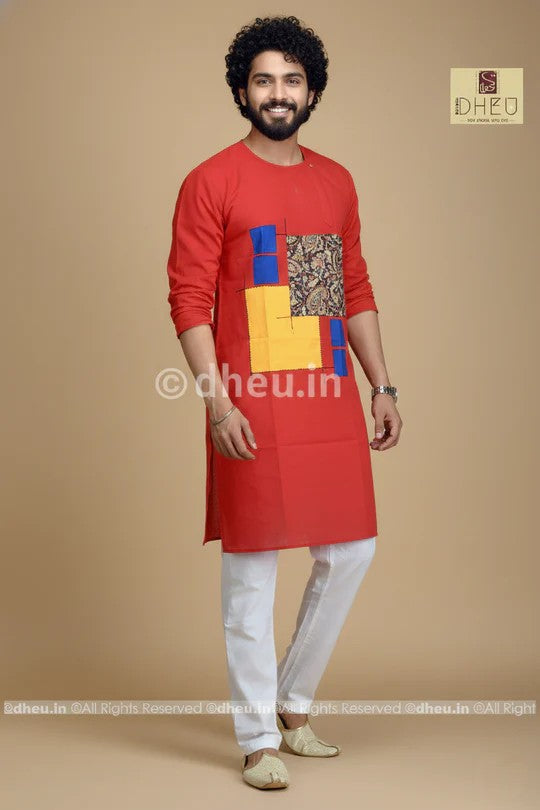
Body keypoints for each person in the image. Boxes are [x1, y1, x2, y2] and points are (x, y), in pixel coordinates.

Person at [165, 14, 402, 790]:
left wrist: (381, 384)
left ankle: (294, 704)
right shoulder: (212, 181)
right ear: (242, 91)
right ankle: (257, 737)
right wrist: (218, 404)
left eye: (292, 80)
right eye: (263, 80)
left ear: (312, 92)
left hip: (325, 391)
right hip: (252, 399)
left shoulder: (334, 182)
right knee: (253, 567)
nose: (278, 93)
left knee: (350, 550)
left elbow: (347, 288)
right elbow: (190, 299)